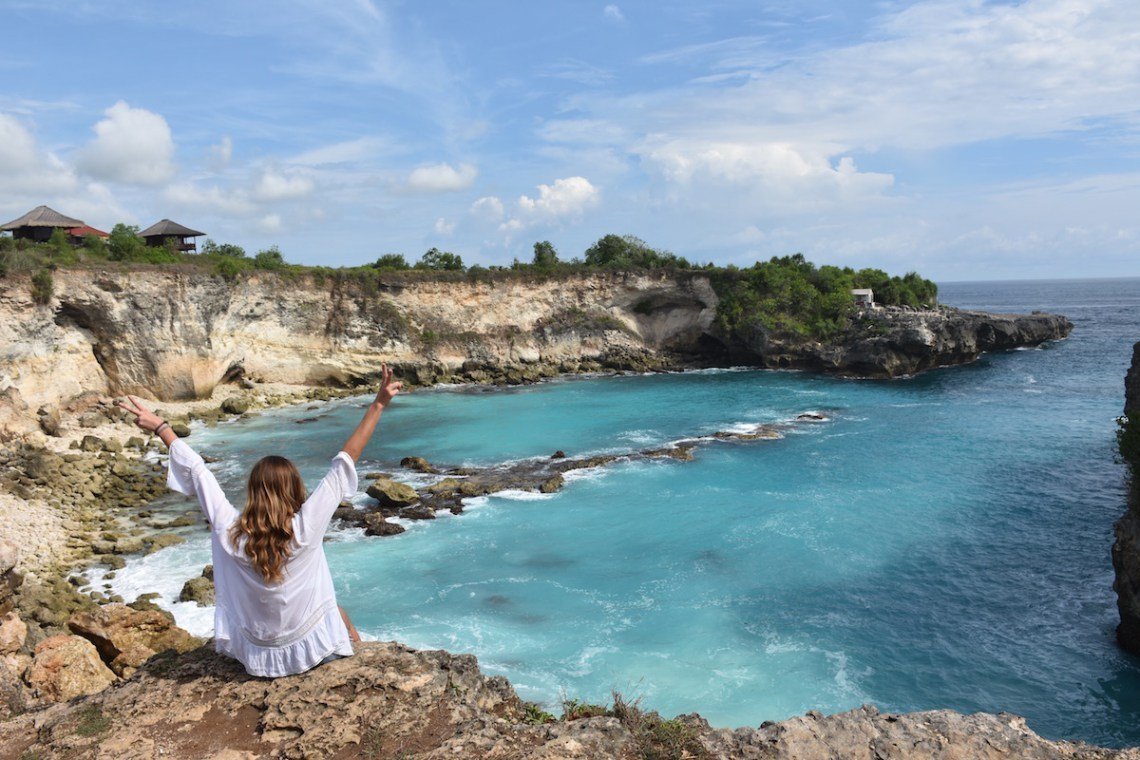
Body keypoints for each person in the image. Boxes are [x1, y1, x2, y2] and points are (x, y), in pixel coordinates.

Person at [117, 365, 403, 677]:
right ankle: (359, 664)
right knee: (339, 613)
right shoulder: (305, 527)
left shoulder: (232, 533)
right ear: (295, 488)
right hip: (305, 648)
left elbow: (200, 474)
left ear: (253, 491)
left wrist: (162, 428)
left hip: (255, 653)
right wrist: (377, 405)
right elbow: (344, 462)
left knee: (337, 612)